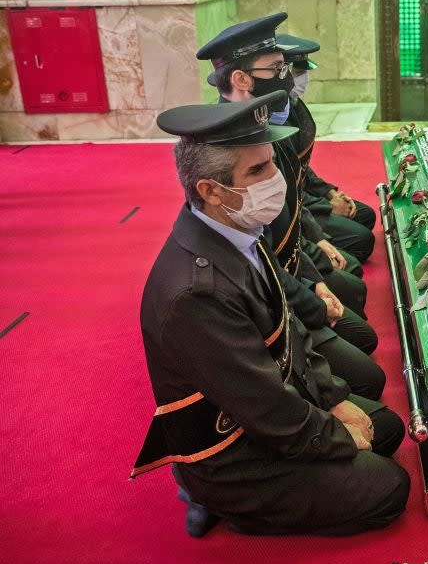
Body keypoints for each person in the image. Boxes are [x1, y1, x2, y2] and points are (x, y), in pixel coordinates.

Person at [131, 94, 409, 537]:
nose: (276, 178)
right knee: (391, 487)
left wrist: (333, 397)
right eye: (258, 170)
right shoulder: (195, 293)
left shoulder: (234, 226)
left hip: (268, 400)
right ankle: (230, 506)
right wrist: (335, 438)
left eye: (271, 164)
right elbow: (263, 407)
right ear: (211, 190)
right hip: (232, 451)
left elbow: (290, 328)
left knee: (387, 429)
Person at [197, 15, 376, 356]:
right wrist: (311, 294)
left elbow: (294, 187)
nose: (289, 77)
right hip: (272, 286)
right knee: (364, 349)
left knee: (356, 304)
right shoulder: (226, 147)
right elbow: (255, 254)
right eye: (278, 69)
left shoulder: (268, 125)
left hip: (291, 258)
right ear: (240, 78)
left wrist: (316, 267)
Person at [277, 33, 377, 264]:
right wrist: (326, 205)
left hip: (306, 195)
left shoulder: (292, 104)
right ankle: (318, 252)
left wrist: (330, 193)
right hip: (292, 207)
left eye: (305, 73)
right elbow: (286, 190)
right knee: (362, 241)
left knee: (365, 216)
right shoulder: (273, 116)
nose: (304, 80)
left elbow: (300, 167)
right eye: (298, 73)